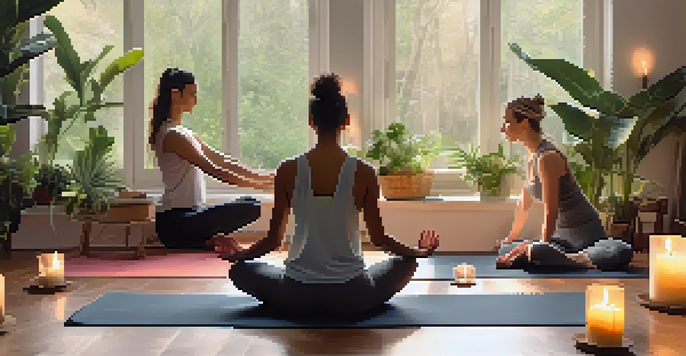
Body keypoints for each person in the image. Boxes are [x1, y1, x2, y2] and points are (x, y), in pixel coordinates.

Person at [216, 73, 440, 317]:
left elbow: (273, 241)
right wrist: (418, 252)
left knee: (239, 271)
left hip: (294, 296)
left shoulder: (287, 170)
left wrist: (242, 254)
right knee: (406, 264)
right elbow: (379, 239)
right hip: (353, 296)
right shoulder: (364, 172)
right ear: (346, 121)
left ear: (311, 121)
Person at [494, 95, 633, 271]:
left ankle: (572, 258)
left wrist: (542, 247)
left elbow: (550, 212)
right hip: (562, 240)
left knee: (620, 251)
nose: (502, 128)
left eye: (507, 121)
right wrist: (510, 239)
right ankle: (564, 258)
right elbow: (524, 204)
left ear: (525, 122)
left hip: (588, 239)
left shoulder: (548, 157)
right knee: (505, 250)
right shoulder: (531, 157)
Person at [150, 68, 275, 250]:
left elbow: (223, 161)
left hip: (191, 215)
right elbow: (214, 170)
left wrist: (265, 177)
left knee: (252, 204)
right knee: (251, 207)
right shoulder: (172, 135)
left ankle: (207, 241)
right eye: (192, 94)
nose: (196, 100)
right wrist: (260, 185)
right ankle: (204, 241)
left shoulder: (185, 133)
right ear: (175, 95)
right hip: (174, 222)